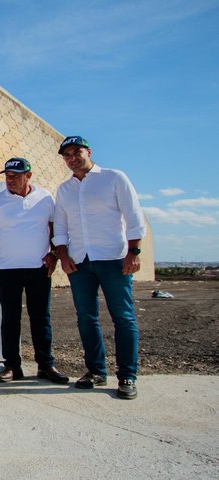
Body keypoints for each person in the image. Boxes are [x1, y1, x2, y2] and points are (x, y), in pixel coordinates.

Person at [53, 136, 146, 400]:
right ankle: (96, 370)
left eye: (76, 152)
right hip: (79, 262)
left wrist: (134, 252)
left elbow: (134, 216)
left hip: (114, 259)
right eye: (67, 155)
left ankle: (127, 375)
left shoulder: (114, 178)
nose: (72, 158)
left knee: (123, 317)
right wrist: (62, 254)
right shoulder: (65, 189)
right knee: (86, 317)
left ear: (88, 152)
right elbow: (60, 225)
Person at [0, 157, 69, 384]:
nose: (10, 180)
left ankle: (46, 365)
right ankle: (11, 366)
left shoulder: (45, 198)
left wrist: (54, 254)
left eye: (15, 176)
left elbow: (54, 228)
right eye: (7, 176)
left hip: (39, 268)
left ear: (28, 176)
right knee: (10, 318)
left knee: (41, 317)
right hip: (7, 268)